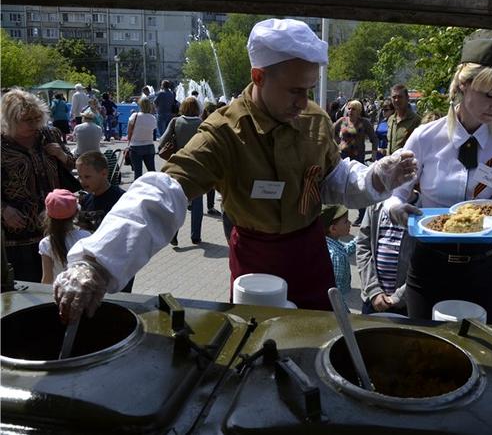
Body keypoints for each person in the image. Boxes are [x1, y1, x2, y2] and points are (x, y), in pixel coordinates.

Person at [54, 18, 417, 322]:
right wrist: (97, 262)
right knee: (257, 352)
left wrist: (374, 177)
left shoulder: (313, 119)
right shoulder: (224, 132)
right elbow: (164, 190)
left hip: (310, 253)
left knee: (318, 342)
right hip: (256, 262)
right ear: (258, 77)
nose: (304, 102)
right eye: (294, 91)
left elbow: (330, 178)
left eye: (308, 89)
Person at [385, 30, 492, 323]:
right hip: (429, 265)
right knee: (423, 344)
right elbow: (396, 194)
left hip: (483, 268)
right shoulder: (425, 138)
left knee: (480, 352)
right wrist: (396, 208)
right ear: (463, 84)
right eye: (489, 95)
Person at [1, 89, 76, 282]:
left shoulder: (48, 134)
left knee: (58, 283)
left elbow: (73, 164)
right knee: (25, 286)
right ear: (10, 119)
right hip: (17, 235)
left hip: (55, 228)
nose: (35, 124)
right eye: (27, 120)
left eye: (38, 117)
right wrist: (4, 209)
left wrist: (61, 155)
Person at [75, 151, 134, 292]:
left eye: (87, 177)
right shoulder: (86, 200)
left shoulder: (121, 199)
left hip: (119, 265)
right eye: (80, 176)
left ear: (104, 173)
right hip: (95, 265)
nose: (82, 181)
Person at [159, 97, 206, 245]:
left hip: (178, 167)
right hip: (197, 167)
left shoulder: (175, 122)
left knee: (178, 202)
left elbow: (161, 142)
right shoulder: (201, 123)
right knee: (197, 203)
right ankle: (195, 236)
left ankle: (173, 233)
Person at [356, 200, 410, 316]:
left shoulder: (422, 210)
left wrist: (399, 297)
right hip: (373, 300)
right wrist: (374, 291)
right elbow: (363, 247)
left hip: (406, 303)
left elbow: (423, 264)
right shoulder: (375, 206)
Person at [333, 99, 379, 225]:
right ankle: (339, 217)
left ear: (359, 111)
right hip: (342, 160)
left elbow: (374, 139)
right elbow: (331, 132)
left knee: (358, 189)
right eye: (349, 108)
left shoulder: (364, 123)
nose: (350, 111)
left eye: (353, 109)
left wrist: (374, 154)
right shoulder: (342, 121)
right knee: (340, 188)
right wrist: (336, 144)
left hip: (358, 160)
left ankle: (362, 216)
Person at [39, 189, 91, 285]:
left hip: (60, 294)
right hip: (83, 292)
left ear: (47, 215)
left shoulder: (46, 243)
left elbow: (47, 279)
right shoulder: (86, 236)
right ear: (76, 213)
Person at [320, 204, 356, 296]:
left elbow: (344, 250)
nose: (350, 223)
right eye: (346, 221)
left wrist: (359, 239)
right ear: (333, 228)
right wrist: (343, 309)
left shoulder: (327, 243)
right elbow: (335, 292)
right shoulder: (336, 256)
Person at [127, 97, 158, 180]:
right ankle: (155, 188)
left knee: (138, 173)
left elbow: (129, 132)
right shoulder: (153, 118)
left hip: (135, 146)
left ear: (140, 105)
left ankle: (137, 190)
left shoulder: (135, 116)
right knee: (152, 171)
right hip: (149, 146)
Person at [387, 84, 422, 155]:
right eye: (394, 97)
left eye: (400, 97)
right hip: (391, 163)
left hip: (408, 164)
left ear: (407, 98)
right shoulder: (391, 119)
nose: (396, 100)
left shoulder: (416, 120)